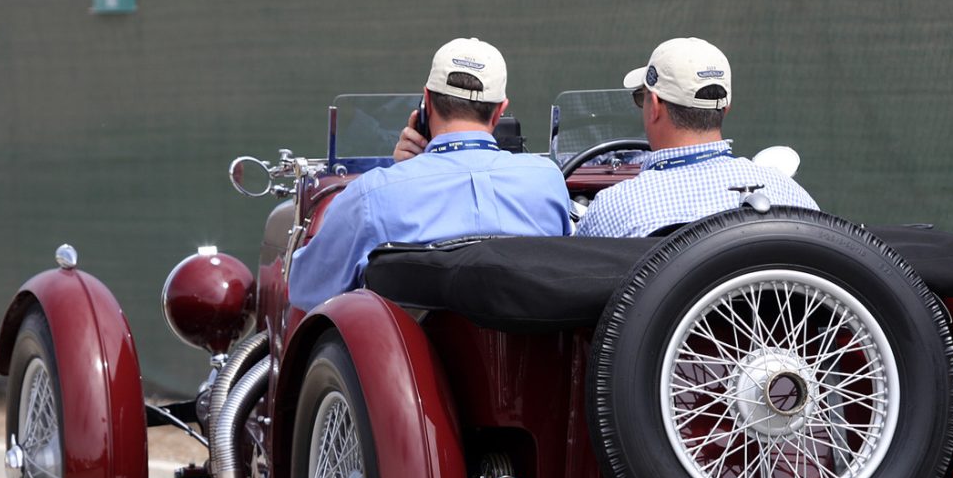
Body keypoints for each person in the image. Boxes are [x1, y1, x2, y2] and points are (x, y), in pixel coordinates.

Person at [289, 37, 571, 311]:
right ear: (500, 111)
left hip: (407, 344)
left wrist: (402, 171)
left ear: (426, 101)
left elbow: (306, 288)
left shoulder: (372, 194)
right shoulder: (548, 180)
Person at [574, 37, 818, 238]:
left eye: (641, 98)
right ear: (726, 108)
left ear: (655, 106)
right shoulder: (790, 197)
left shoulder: (614, 209)